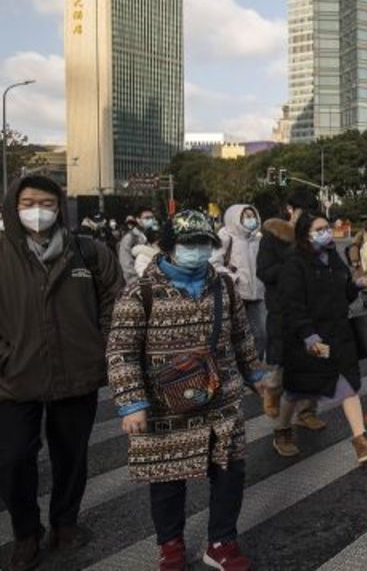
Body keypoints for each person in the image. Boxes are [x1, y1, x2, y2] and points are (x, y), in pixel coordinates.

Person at [107, 210, 267, 571]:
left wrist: (254, 374)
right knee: (167, 476)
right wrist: (132, 402)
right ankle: (171, 544)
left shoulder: (224, 287)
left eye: (204, 244)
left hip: (221, 398)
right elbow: (121, 350)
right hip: (166, 405)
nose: (198, 251)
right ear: (167, 246)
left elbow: (241, 335)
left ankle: (222, 542)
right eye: (189, 244)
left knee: (229, 472)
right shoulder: (140, 293)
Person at [0, 176, 124, 571]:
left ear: (60, 208)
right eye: (29, 201)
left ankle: (64, 522)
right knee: (13, 459)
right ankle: (26, 532)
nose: (38, 210)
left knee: (71, 456)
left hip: (78, 372)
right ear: (12, 206)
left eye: (48, 202)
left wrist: (101, 345)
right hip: (14, 378)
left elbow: (117, 303)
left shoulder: (88, 252)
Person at [273, 211, 367, 465]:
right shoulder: (295, 264)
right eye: (320, 229)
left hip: (338, 335)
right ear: (305, 234)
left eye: (327, 227)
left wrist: (355, 286)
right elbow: (291, 305)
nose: (327, 232)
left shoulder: (333, 258)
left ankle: (360, 441)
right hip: (309, 339)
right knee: (297, 390)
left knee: (348, 385)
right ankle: (282, 430)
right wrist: (307, 335)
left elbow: (340, 295)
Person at [257, 190, 320, 425]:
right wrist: (293, 263)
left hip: (313, 311)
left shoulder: (316, 236)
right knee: (283, 364)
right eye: (304, 211)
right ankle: (271, 390)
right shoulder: (273, 237)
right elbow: (264, 272)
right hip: (283, 310)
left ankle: (307, 411)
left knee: (315, 362)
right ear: (290, 210)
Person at [217, 205, 268, 367]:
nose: (250, 219)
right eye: (246, 216)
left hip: (257, 294)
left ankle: (254, 365)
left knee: (261, 334)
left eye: (252, 215)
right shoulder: (226, 237)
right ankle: (234, 369)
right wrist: (234, 278)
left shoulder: (258, 238)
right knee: (234, 335)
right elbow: (213, 264)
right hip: (235, 294)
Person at [118, 207, 158, 284]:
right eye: (147, 218)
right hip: (138, 283)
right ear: (138, 219)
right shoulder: (129, 238)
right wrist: (135, 282)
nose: (150, 220)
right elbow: (126, 264)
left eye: (152, 217)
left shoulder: (150, 235)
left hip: (150, 280)